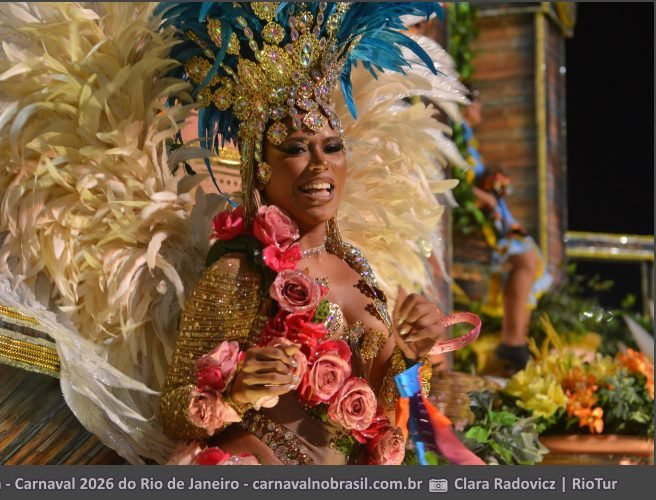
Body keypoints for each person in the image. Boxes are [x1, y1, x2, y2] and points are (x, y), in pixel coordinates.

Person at [157, 2, 483, 465]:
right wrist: (238, 393)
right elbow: (174, 411)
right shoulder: (241, 271)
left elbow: (394, 408)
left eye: (332, 147)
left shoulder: (360, 269)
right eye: (295, 148)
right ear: (261, 170)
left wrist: (414, 353)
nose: (320, 164)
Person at [460, 95, 553, 374]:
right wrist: (484, 198)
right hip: (478, 220)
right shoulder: (456, 135)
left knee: (534, 259)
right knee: (525, 257)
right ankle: (513, 343)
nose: (480, 108)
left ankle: (517, 342)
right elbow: (452, 178)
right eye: (476, 101)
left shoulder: (468, 138)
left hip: (493, 219)